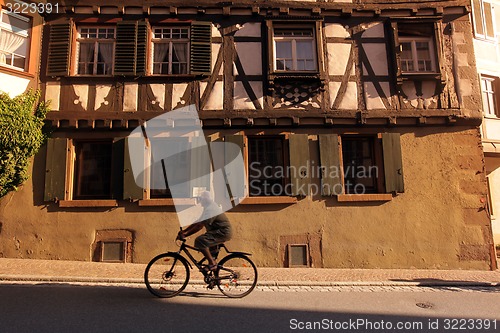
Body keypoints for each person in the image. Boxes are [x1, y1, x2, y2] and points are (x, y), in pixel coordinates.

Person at [177, 191, 232, 271]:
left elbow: (200, 225)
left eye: (200, 199)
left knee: (200, 240)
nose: (200, 201)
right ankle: (215, 278)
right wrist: (184, 231)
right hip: (218, 232)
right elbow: (198, 221)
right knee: (211, 254)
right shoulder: (208, 207)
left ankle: (212, 264)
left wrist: (186, 234)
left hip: (222, 232)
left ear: (206, 199)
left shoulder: (211, 209)